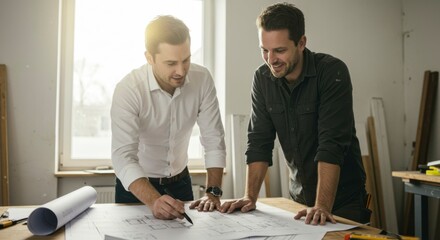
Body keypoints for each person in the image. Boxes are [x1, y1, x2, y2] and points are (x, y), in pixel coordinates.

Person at [220, 3, 371, 225]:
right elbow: (259, 141)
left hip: (343, 202)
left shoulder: (332, 72)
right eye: (264, 50)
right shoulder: (262, 78)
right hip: (299, 199)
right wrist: (249, 197)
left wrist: (321, 206)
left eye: (279, 50)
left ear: (301, 43)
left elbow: (331, 145)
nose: (271, 59)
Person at [111, 15, 226, 221]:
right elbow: (123, 156)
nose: (181, 71)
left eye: (186, 60)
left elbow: (213, 139)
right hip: (137, 187)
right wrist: (154, 200)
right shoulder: (128, 89)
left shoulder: (202, 80)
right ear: (149, 58)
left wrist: (213, 192)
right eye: (171, 63)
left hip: (181, 182)